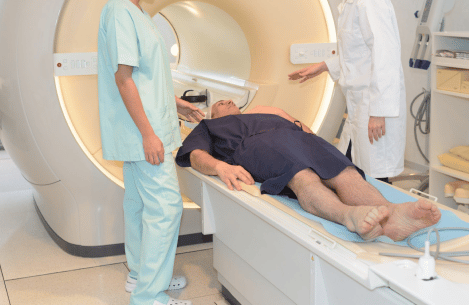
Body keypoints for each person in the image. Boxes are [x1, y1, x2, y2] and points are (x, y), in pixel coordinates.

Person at [98, 0, 204, 305]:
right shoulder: (121, 13)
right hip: (144, 132)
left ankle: (142, 272)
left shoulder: (130, 11)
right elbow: (123, 79)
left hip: (147, 125)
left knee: (141, 204)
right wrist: (149, 133)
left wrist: (175, 102)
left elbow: (143, 77)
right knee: (167, 208)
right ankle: (148, 299)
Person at [176, 100, 440, 242]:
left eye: (231, 101)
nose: (228, 101)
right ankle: (348, 215)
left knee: (343, 170)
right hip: (257, 144)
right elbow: (196, 155)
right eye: (221, 103)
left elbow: (306, 131)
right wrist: (221, 167)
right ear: (210, 114)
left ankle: (392, 216)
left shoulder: (272, 113)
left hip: (299, 137)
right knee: (303, 175)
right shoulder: (213, 127)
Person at [289, 0, 406, 183]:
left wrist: (378, 113)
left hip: (373, 110)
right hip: (360, 108)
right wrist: (322, 67)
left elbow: (385, 59)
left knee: (376, 179)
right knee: (357, 172)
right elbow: (356, 56)